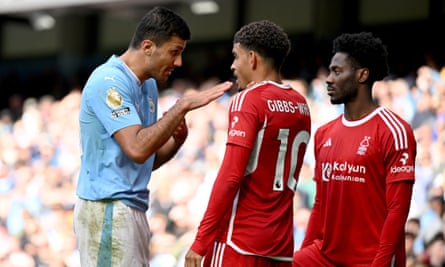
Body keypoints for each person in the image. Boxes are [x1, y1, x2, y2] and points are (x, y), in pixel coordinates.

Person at [73, 6, 232, 267]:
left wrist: (177, 140)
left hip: (130, 207)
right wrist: (181, 107)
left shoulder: (147, 84)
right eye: (174, 52)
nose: (178, 62)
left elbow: (144, 160)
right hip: (107, 208)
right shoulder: (109, 81)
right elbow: (137, 148)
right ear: (148, 47)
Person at [184, 20, 311, 267]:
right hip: (281, 245)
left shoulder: (249, 100)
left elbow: (231, 176)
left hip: (239, 241)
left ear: (252, 58)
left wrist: (200, 241)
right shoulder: (301, 104)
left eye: (236, 56)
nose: (232, 65)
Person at [293, 32, 417, 266]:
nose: (328, 79)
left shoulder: (394, 131)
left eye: (337, 71)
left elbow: (398, 210)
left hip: (370, 259)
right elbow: (320, 204)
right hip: (325, 256)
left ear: (362, 75)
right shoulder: (323, 134)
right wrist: (305, 251)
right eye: (330, 71)